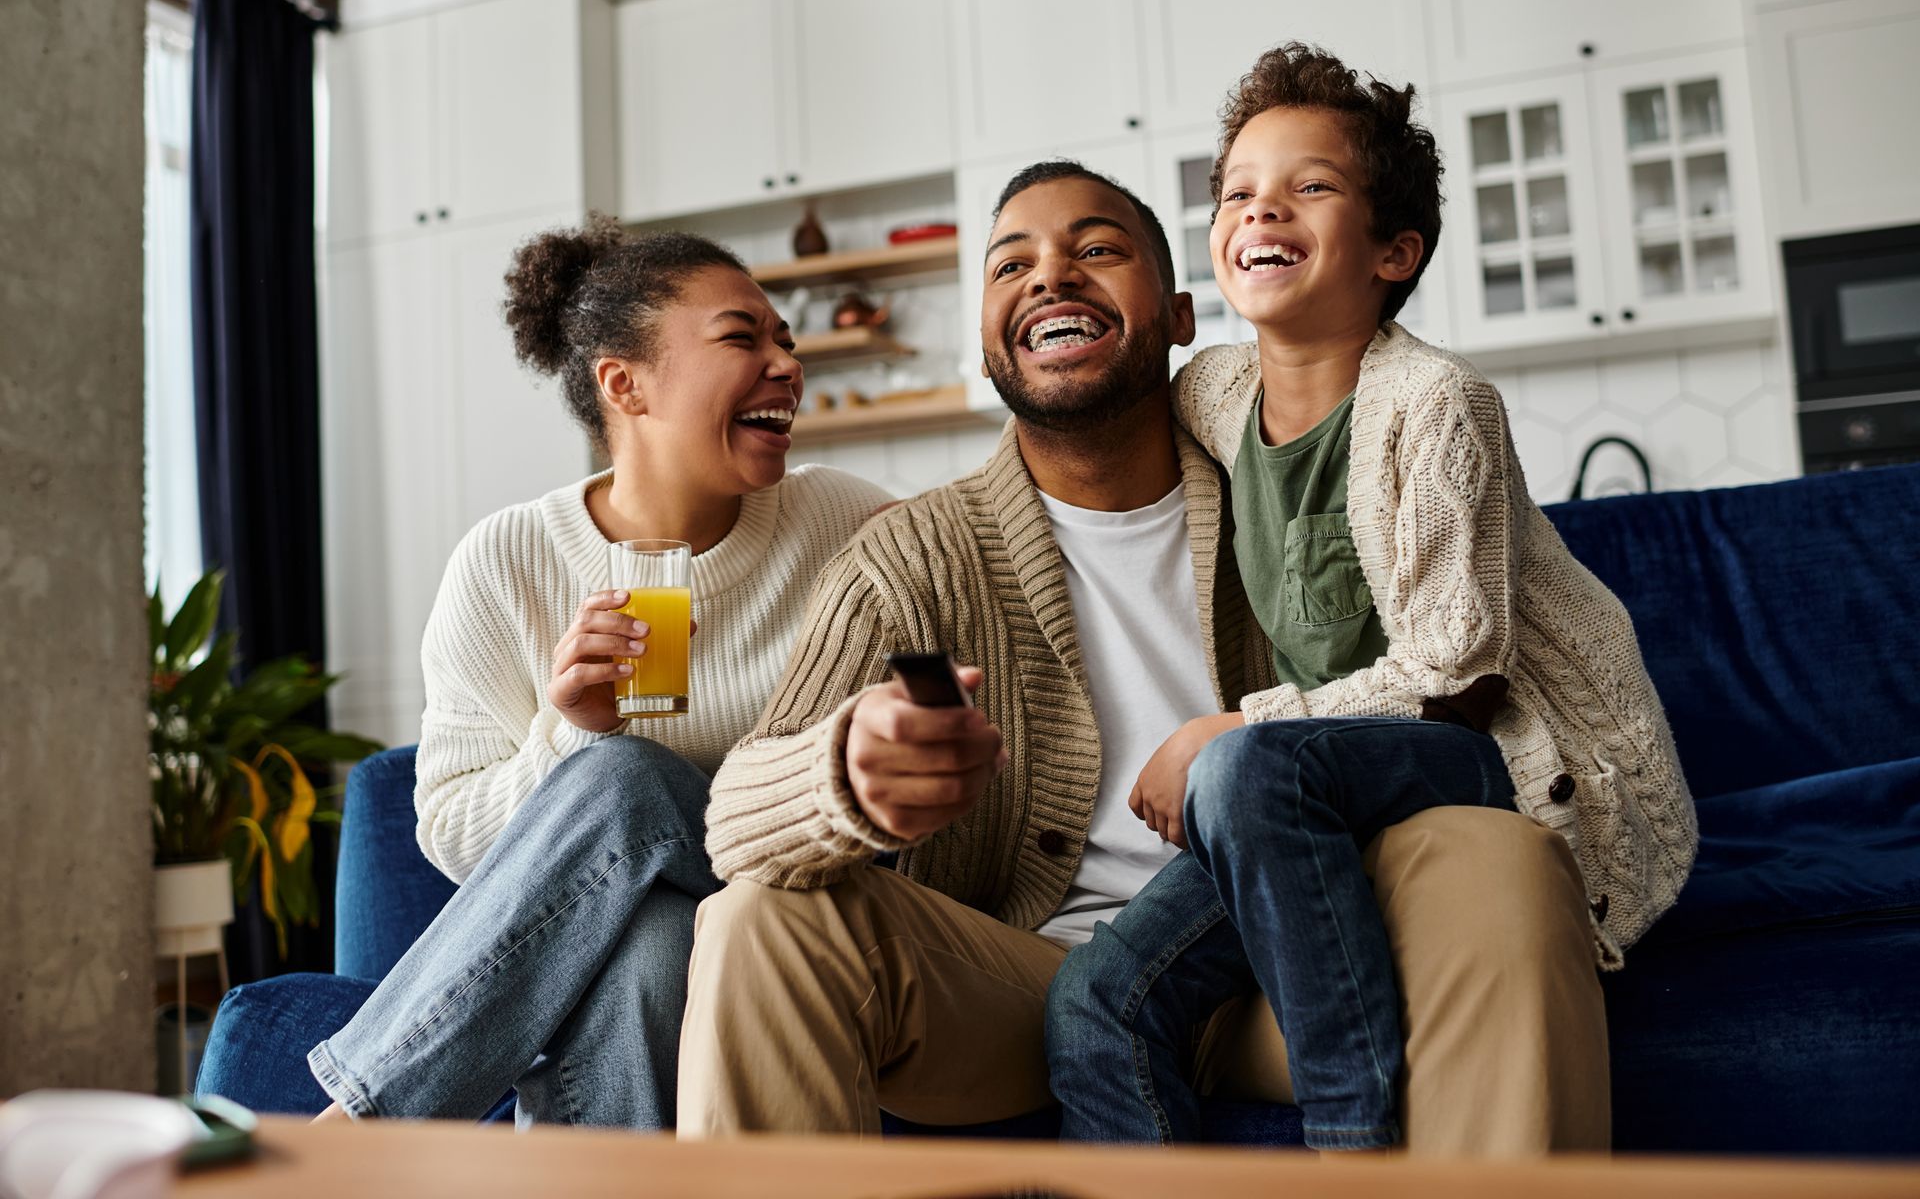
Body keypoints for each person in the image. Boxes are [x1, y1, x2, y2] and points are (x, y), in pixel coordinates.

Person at [673, 162, 1615, 1153]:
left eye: (1096, 250)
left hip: (1307, 953)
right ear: (986, 343)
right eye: (1011, 266)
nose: (1051, 277)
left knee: (1502, 852)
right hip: (1027, 988)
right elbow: (734, 824)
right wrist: (845, 769)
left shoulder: (1293, 482)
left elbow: (1443, 678)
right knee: (756, 922)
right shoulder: (910, 555)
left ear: (1174, 316)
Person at [1044, 42, 1698, 1152]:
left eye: (1310, 186)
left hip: (1491, 747)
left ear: (1395, 250)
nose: (1265, 209)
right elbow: (1082, 417)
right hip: (1313, 783)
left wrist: (1223, 730)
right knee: (1093, 1004)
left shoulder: (1437, 403)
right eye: (1240, 191)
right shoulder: (1214, 390)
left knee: (1246, 764)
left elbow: (1457, 673)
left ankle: (1354, 1144)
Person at [305, 216, 894, 1128]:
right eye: (743, 337)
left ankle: (360, 1130)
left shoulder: (841, 522)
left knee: (623, 777)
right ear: (624, 384)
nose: (786, 362)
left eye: (785, 338)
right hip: (662, 932)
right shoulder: (509, 561)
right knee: (652, 944)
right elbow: (452, 835)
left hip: (793, 906)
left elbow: (975, 577)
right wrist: (572, 729)